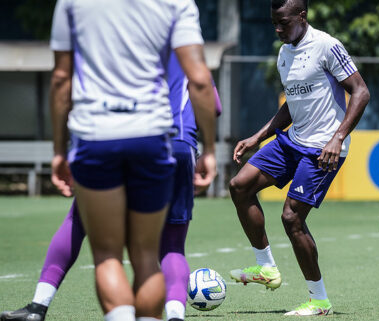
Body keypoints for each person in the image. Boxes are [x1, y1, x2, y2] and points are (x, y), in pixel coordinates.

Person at [0, 52, 221, 321]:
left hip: (122, 138)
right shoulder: (184, 48)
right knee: (172, 245)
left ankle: (38, 306)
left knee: (78, 221)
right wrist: (205, 148)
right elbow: (212, 104)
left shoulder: (120, 43)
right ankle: (175, 316)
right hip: (178, 144)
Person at [48, 1, 217, 321]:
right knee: (146, 255)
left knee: (108, 256)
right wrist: (208, 148)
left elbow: (60, 79)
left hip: (95, 136)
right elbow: (199, 79)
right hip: (152, 137)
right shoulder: (177, 2)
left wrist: (58, 149)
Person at [228, 0, 369, 316]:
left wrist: (338, 137)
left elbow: (360, 92)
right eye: (274, 23)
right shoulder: (283, 54)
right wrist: (258, 136)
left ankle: (319, 301)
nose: (278, 29)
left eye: (283, 22)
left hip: (322, 147)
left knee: (292, 217)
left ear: (302, 17)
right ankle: (266, 269)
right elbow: (292, 105)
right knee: (240, 186)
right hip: (293, 141)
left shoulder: (327, 46)